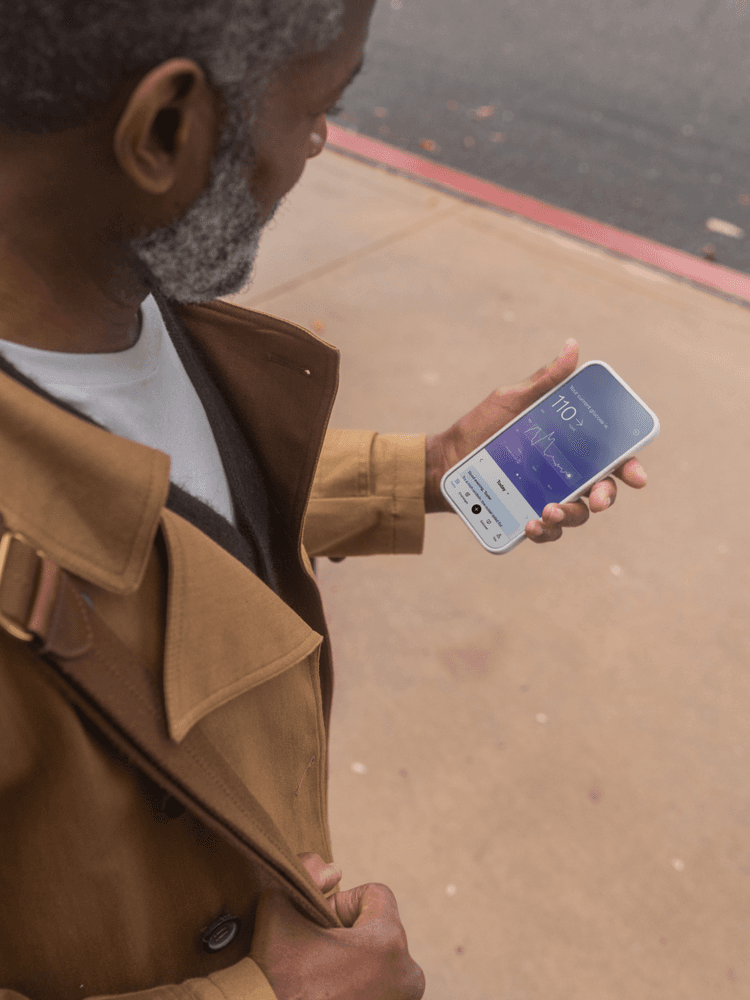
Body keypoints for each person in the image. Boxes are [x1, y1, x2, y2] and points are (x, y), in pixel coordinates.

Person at [0, 0, 647, 998]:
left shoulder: (98, 284)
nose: (319, 147)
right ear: (166, 129)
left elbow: (179, 504)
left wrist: (427, 469)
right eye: (314, 110)